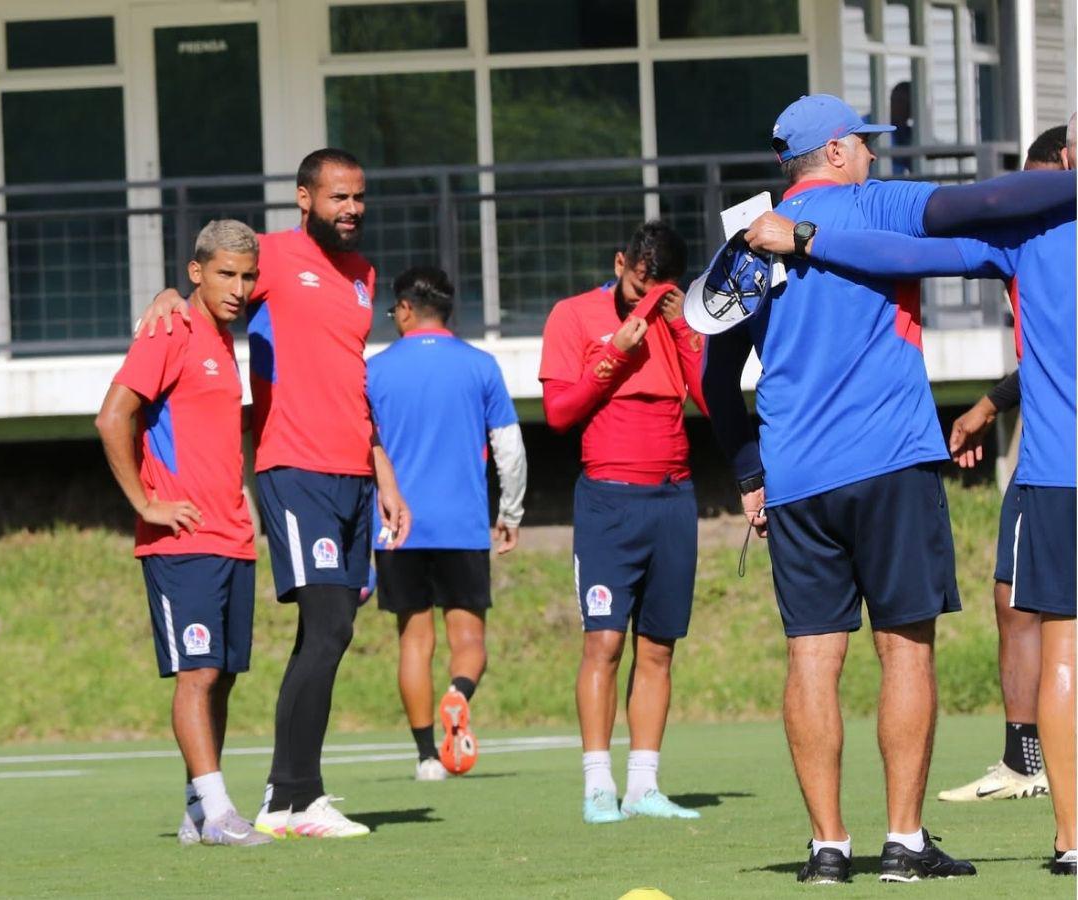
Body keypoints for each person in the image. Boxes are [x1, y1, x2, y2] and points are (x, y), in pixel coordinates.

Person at [700, 93, 1075, 885]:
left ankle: (827, 848)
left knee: (811, 654)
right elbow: (993, 201)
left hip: (797, 476)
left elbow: (712, 374)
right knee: (905, 646)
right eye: (865, 143)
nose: (875, 154)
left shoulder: (746, 243)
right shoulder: (877, 200)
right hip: (890, 460)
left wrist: (748, 470)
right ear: (836, 151)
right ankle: (904, 839)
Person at [140, 148, 412, 840]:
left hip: (354, 473)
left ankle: (273, 795)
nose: (350, 210)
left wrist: (383, 473)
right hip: (295, 470)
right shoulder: (269, 255)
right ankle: (292, 798)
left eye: (359, 198)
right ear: (304, 198)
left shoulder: (362, 275)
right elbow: (210, 282)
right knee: (326, 626)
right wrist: (168, 293)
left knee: (333, 632)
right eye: (337, 198)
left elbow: (348, 374)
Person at [95, 219, 271, 847]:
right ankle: (222, 813)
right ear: (196, 272)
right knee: (196, 674)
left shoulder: (225, 342)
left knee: (220, 675)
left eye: (248, 275)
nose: (240, 286)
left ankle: (200, 811)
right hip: (182, 540)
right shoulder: (169, 327)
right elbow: (112, 415)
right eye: (226, 273)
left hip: (231, 537)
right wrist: (146, 501)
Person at [538, 220, 708, 825]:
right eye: (639, 285)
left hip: (672, 499)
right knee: (604, 642)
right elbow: (558, 412)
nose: (647, 299)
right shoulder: (573, 316)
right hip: (608, 502)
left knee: (658, 648)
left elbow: (711, 402)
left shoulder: (678, 317)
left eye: (659, 289)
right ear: (619, 264)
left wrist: (687, 323)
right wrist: (616, 352)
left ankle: (643, 786)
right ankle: (596, 787)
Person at [935, 125, 1066, 803]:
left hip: (1057, 449)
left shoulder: (1052, 236)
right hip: (1042, 429)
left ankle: (1042, 768)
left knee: (1038, 609)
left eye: (1035, 182)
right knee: (1012, 598)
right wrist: (988, 404)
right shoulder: (1033, 240)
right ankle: (1026, 758)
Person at [366, 266, 527, 781]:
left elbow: (363, 449)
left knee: (414, 641)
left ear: (407, 309)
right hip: (461, 523)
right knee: (469, 640)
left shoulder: (375, 370)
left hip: (398, 525)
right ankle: (458, 695)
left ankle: (425, 758)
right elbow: (510, 449)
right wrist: (510, 513)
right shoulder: (480, 366)